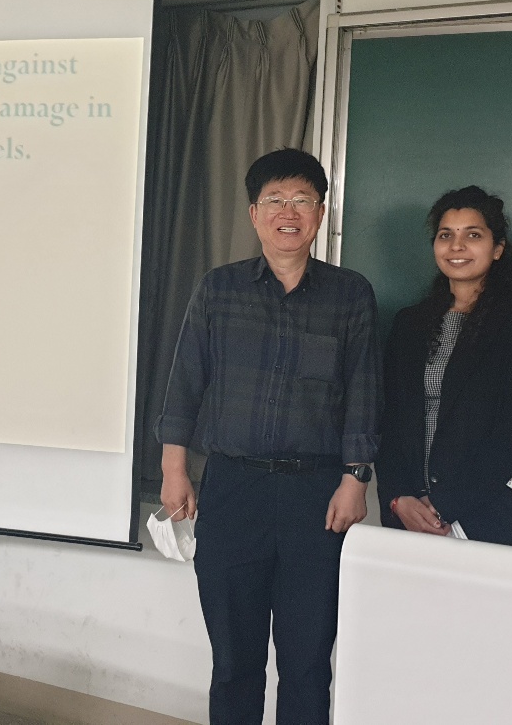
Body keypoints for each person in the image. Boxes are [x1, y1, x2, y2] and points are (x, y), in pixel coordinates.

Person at [158, 148, 380, 725]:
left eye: (303, 200)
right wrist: (174, 469)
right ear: (254, 213)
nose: (289, 212)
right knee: (234, 660)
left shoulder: (350, 295)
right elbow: (186, 382)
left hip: (317, 497)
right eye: (275, 200)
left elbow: (364, 392)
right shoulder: (219, 289)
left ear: (321, 213)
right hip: (234, 490)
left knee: (307, 661)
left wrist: (356, 478)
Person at [378, 186, 512, 548]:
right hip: (409, 515)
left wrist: (444, 504)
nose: (456, 246)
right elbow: (391, 420)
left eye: (473, 235)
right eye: (446, 235)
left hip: (485, 517)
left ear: (497, 248)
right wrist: (398, 498)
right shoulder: (410, 324)